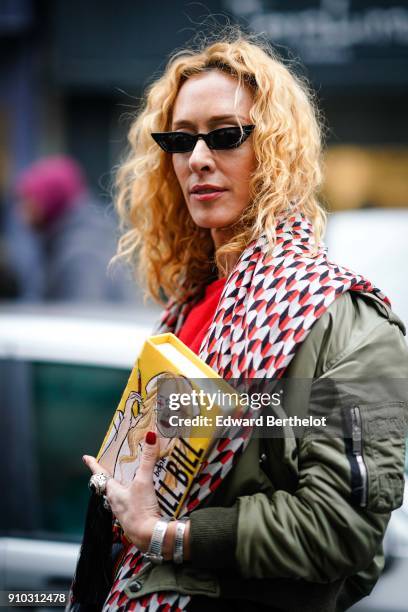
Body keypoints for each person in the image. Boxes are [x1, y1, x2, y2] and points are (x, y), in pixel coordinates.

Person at [72, 34, 408, 611]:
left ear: (275, 151)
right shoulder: (188, 308)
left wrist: (168, 537)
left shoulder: (346, 320)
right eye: (180, 140)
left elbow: (341, 527)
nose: (197, 158)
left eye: (225, 136)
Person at [14, 155, 135, 302]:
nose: (21, 212)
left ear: (50, 199)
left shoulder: (82, 252)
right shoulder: (62, 240)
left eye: (29, 201)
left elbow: (84, 316)